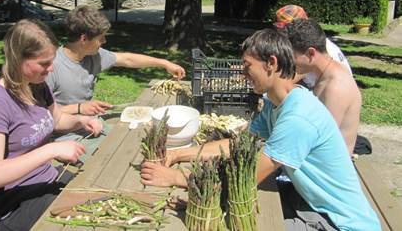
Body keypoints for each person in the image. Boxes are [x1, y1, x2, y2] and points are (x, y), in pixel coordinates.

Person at [140, 29, 381, 231]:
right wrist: (176, 155)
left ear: (272, 63)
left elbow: (248, 178)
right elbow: (236, 144)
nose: (243, 75)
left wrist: (178, 178)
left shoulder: (298, 116)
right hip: (310, 204)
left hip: (339, 223)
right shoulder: (277, 103)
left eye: (247, 67)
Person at [0, 20, 103, 231]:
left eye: (51, 61)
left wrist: (82, 120)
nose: (51, 69)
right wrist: (51, 149)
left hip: (47, 181)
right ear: (18, 59)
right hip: (14, 202)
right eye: (44, 63)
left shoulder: (38, 86)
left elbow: (57, 119)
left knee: (100, 193)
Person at [46, 5, 186, 116]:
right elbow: (38, 115)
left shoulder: (94, 55)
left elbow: (127, 59)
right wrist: (78, 108)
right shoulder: (50, 67)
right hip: (65, 137)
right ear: (83, 39)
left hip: (90, 124)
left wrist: (165, 63)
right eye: (101, 38)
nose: (104, 41)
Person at [284, 19, 361, 154]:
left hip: (327, 170)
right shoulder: (324, 75)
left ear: (310, 54)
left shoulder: (336, 86)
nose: (290, 64)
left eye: (292, 57)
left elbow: (319, 138)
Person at [275, 5, 352, 89]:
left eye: (285, 29)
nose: (281, 32)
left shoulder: (306, 48)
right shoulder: (310, 39)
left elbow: (285, 81)